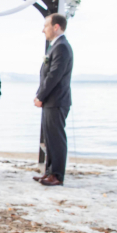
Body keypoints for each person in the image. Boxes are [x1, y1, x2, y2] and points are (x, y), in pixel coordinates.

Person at [33, 13, 73, 186]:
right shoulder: (56, 46)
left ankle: (57, 175)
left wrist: (40, 96)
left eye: (46, 26)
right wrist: (39, 95)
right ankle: (49, 172)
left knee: (56, 138)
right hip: (51, 101)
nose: (43, 30)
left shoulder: (62, 47)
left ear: (56, 27)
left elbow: (54, 76)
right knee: (49, 137)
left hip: (57, 101)